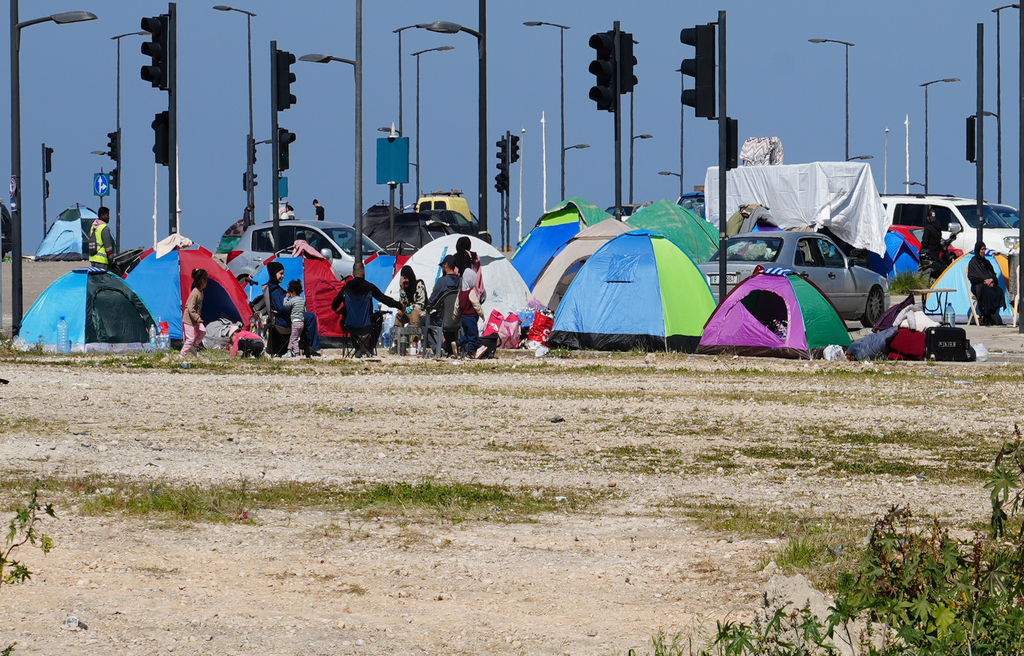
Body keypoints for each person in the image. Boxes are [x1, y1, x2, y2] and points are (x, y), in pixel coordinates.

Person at [331, 262, 404, 352]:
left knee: (349, 316)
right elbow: (384, 299)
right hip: (367, 324)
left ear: (353, 273)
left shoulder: (346, 288)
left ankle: (357, 348)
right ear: (364, 272)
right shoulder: (369, 287)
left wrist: (338, 310)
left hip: (349, 325)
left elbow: (334, 304)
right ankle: (370, 348)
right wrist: (400, 305)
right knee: (378, 317)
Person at [266, 261, 320, 356]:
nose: (283, 276)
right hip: (283, 321)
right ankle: (311, 347)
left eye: (283, 274)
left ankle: (305, 346)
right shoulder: (275, 291)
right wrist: (294, 305)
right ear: (274, 274)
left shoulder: (273, 288)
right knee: (310, 317)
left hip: (284, 319)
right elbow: (282, 307)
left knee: (305, 317)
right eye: (280, 274)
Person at [427, 256, 462, 356]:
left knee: (423, 322)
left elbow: (431, 302)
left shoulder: (442, 281)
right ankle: (450, 349)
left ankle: (435, 349)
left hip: (442, 319)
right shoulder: (461, 281)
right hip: (457, 319)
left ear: (446, 265)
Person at [968, 242, 1006, 325]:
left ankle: (991, 313)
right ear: (978, 250)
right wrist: (984, 281)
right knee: (988, 293)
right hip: (978, 285)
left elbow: (993, 274)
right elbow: (972, 278)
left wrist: (991, 280)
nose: (983, 251)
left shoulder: (987, 262)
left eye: (984, 249)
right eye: (982, 249)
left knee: (999, 291)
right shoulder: (973, 262)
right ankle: (987, 315)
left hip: (989, 284)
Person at [457, 268, 484, 357]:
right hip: (471, 318)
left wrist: (455, 314)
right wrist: (481, 314)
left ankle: (458, 342)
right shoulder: (471, 292)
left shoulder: (460, 292)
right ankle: (470, 352)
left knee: (468, 335)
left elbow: (456, 305)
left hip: (463, 318)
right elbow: (476, 305)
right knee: (473, 336)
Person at [181, 269, 208, 357]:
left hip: (196, 319)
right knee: (190, 338)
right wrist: (197, 318)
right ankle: (182, 354)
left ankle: (193, 346)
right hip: (189, 320)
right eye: (206, 280)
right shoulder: (195, 293)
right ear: (202, 281)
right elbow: (189, 308)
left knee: (203, 332)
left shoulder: (201, 292)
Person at [453, 236, 485, 302]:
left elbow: (454, 274)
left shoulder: (457, 257)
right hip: (475, 293)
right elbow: (479, 276)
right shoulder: (475, 258)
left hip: (459, 294)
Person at [88, 207, 118, 274]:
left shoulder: (94, 227)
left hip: (93, 258)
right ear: (102, 216)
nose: (109, 217)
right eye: (107, 215)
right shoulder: (104, 228)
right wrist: (111, 259)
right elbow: (108, 246)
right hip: (101, 260)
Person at [283, 279, 306, 358]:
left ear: (292, 291)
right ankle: (289, 350)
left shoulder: (293, 300)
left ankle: (296, 353)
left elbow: (286, 304)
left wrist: (286, 297)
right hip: (301, 323)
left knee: (294, 339)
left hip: (295, 323)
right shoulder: (302, 300)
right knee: (293, 337)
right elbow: (304, 310)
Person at [918, 209, 943, 277]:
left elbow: (925, 241)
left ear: (928, 218)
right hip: (936, 254)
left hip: (928, 254)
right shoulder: (938, 227)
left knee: (924, 273)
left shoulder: (928, 228)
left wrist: (921, 252)